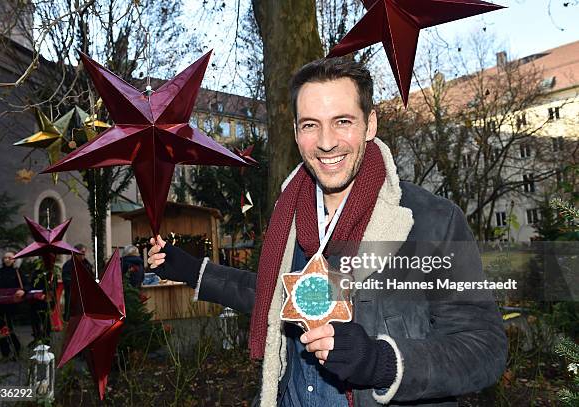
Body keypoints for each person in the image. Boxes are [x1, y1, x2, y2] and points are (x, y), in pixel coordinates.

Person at [148, 58, 507, 406]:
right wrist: (192, 271)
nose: (326, 142)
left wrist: (382, 362)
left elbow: (484, 348)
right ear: (295, 132)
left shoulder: (432, 220)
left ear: (370, 125)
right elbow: (275, 299)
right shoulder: (289, 214)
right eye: (310, 125)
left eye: (343, 121)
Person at [0, 251, 30, 359]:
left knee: (9, 327)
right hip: (0, 304)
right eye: (5, 258)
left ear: (14, 260)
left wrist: (23, 291)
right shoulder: (0, 272)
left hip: (12, 305)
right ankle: (5, 353)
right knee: (1, 328)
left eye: (9, 257)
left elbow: (27, 285)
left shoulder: (18, 272)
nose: (7, 259)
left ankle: (16, 349)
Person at [61, 244, 92, 321]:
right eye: (82, 252)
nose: (84, 254)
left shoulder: (87, 264)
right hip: (73, 298)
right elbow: (66, 280)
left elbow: (91, 277)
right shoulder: (68, 265)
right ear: (75, 253)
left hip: (86, 297)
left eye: (84, 252)